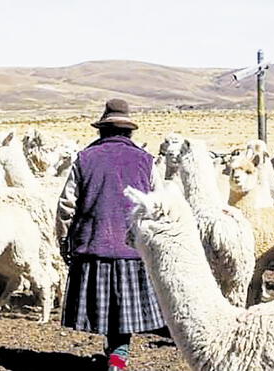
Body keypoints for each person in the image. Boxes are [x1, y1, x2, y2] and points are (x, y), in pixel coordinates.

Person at [56, 99, 166, 371]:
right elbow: (159, 204)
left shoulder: (84, 158)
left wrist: (64, 240)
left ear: (102, 130)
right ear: (129, 131)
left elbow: (66, 207)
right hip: (134, 249)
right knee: (123, 308)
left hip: (93, 245)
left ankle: (115, 355)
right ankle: (118, 356)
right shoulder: (146, 160)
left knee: (106, 306)